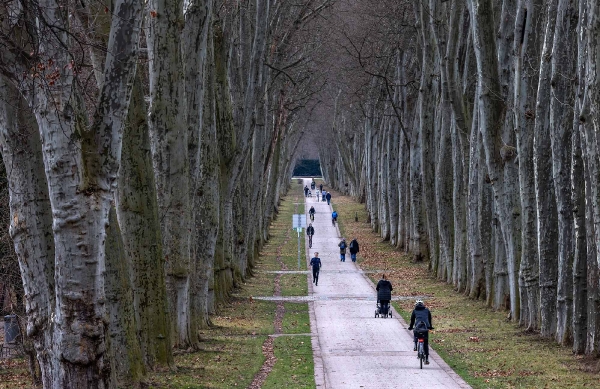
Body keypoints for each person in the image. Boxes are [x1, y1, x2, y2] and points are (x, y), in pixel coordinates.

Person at [408, 299, 434, 365]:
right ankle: (427, 358)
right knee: (425, 343)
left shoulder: (415, 311)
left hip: (418, 327)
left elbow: (412, 320)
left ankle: (415, 345)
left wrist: (411, 327)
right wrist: (430, 327)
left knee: (415, 332)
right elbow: (429, 319)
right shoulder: (427, 310)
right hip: (425, 328)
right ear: (423, 304)